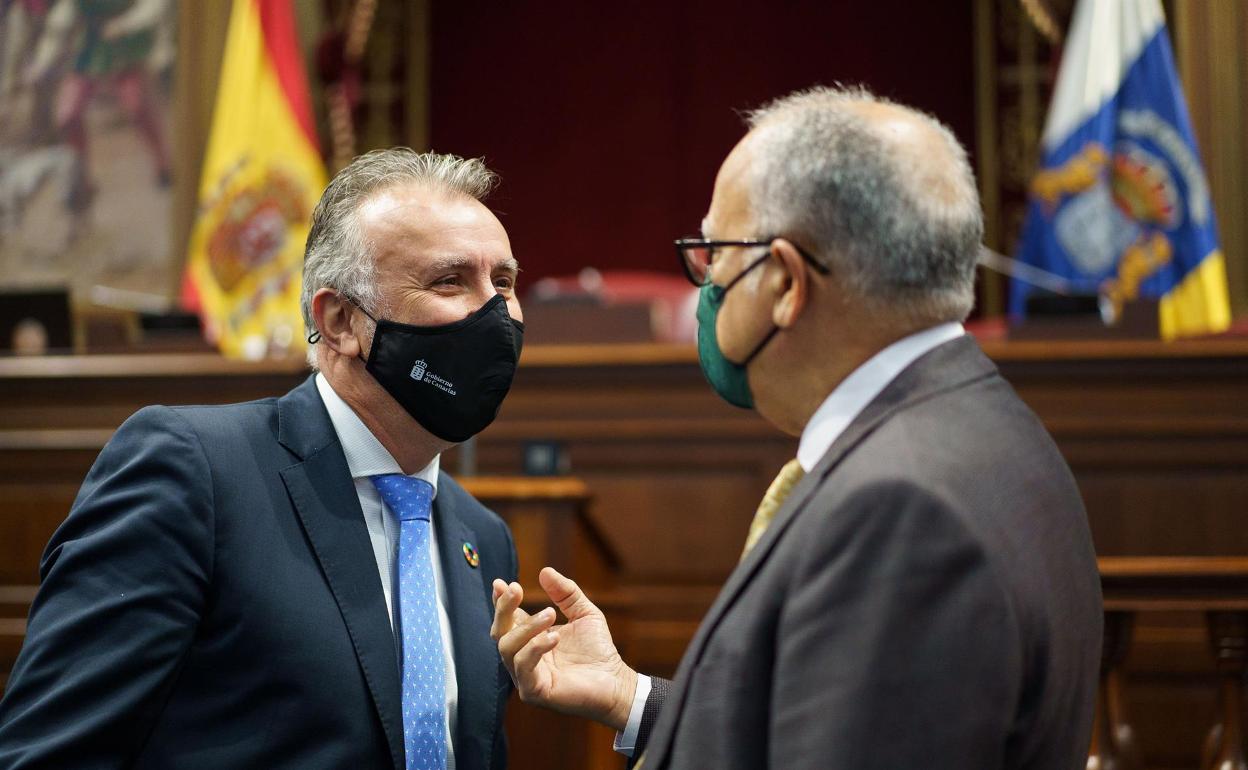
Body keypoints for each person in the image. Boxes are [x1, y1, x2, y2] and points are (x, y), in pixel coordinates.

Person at [491, 86, 1102, 769]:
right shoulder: (981, 422)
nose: (705, 284)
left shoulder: (901, 511)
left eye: (714, 255)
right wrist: (630, 698)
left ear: (783, 282)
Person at [0, 149, 523, 769]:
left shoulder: (483, 540)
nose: (497, 313)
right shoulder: (193, 473)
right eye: (449, 280)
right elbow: (48, 756)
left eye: (506, 283)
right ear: (339, 321)